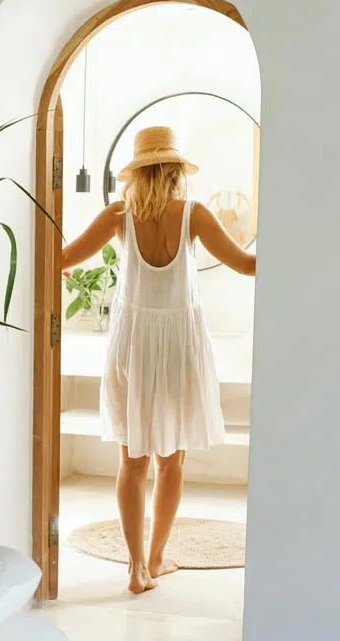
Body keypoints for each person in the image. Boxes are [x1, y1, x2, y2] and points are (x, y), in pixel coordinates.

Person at [61, 126, 256, 594]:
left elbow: (60, 259)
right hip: (178, 347)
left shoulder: (118, 216)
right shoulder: (193, 214)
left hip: (132, 344)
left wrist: (59, 270)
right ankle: (156, 557)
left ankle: (135, 568)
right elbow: (247, 265)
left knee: (132, 463)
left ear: (137, 172)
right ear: (173, 171)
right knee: (172, 462)